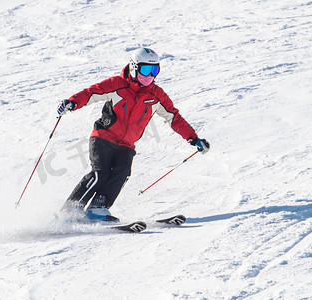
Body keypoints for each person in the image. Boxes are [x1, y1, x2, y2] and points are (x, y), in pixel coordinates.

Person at [57, 48, 210, 222]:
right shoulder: (117, 84)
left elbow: (174, 117)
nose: (150, 76)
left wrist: (194, 138)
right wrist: (72, 102)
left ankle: (98, 207)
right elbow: (91, 93)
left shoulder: (156, 95)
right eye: (146, 70)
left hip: (127, 144)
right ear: (134, 68)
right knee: (100, 173)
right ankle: (69, 211)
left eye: (155, 71)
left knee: (123, 172)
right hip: (103, 137)